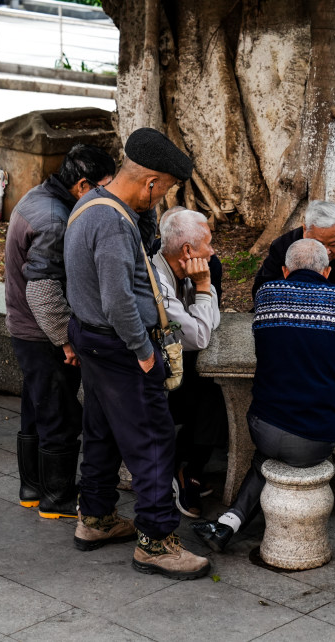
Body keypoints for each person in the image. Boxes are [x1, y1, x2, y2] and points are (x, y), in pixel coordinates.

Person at [64, 127, 209, 579]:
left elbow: (138, 256)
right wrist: (143, 351)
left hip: (94, 340)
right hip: (120, 346)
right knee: (152, 441)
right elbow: (118, 299)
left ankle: (97, 518)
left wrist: (145, 214)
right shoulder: (109, 222)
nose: (162, 197)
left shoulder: (97, 204)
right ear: (151, 182)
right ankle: (157, 542)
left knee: (103, 431)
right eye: (163, 189)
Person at [193, 239, 335, 552]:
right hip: (316, 440)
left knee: (264, 459)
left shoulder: (267, 294)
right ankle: (229, 526)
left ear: (285, 270)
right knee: (279, 451)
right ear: (327, 271)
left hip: (263, 428)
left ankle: (226, 526)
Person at [4, 143, 115, 519]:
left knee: (35, 410)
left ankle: (32, 489)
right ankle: (58, 499)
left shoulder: (40, 196)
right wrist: (65, 339)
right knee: (60, 415)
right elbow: (42, 287)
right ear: (83, 185)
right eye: (104, 186)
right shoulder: (54, 219)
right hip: (40, 333)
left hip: (25, 327)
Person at [252, 200, 335, 466]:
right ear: (304, 229)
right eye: (320, 243)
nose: (327, 251)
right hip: (291, 326)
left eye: (334, 244)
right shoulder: (284, 246)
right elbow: (262, 290)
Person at [151, 207, 226, 518]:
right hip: (149, 374)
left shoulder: (192, 269)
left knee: (214, 390)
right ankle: (185, 470)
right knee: (209, 395)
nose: (212, 250)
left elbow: (212, 322)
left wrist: (203, 286)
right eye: (207, 243)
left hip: (178, 363)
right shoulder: (157, 277)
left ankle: (187, 469)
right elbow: (198, 336)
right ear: (187, 250)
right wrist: (205, 288)